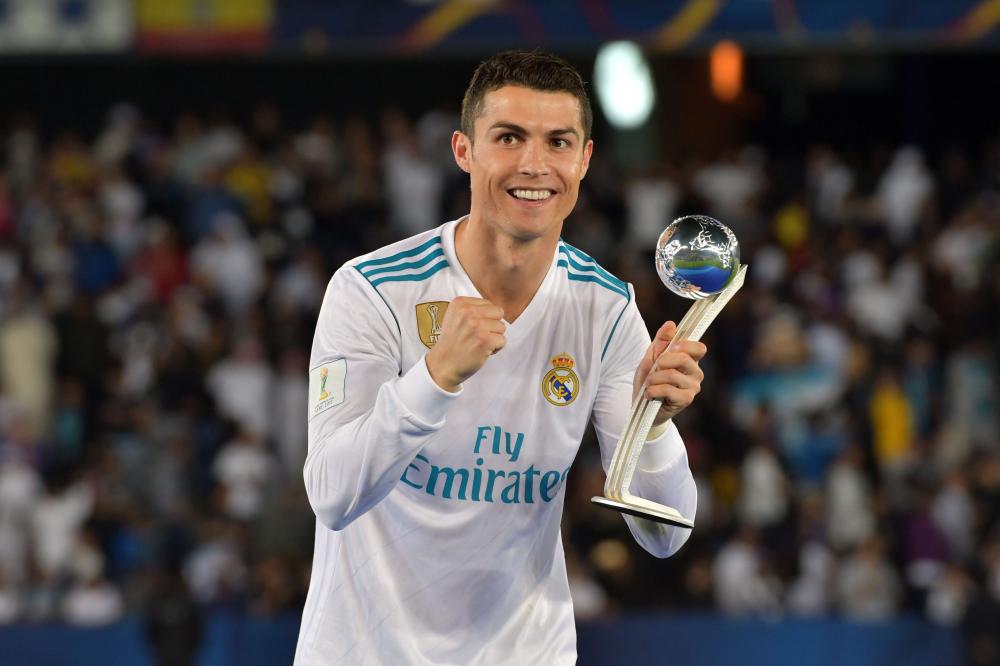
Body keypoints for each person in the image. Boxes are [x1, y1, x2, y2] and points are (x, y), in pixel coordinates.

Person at [295, 50, 706, 665]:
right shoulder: (372, 290)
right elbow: (331, 494)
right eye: (509, 137)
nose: (534, 165)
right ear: (465, 151)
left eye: (559, 142)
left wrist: (653, 429)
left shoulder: (606, 309)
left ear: (585, 160)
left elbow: (666, 535)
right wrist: (434, 379)